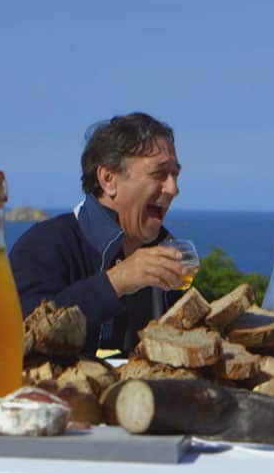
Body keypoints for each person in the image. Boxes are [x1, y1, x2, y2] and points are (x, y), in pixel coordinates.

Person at [10, 113, 188, 355]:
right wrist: (116, 282)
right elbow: (19, 336)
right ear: (108, 180)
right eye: (160, 174)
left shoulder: (167, 251)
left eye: (175, 175)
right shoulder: (43, 246)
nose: (174, 189)